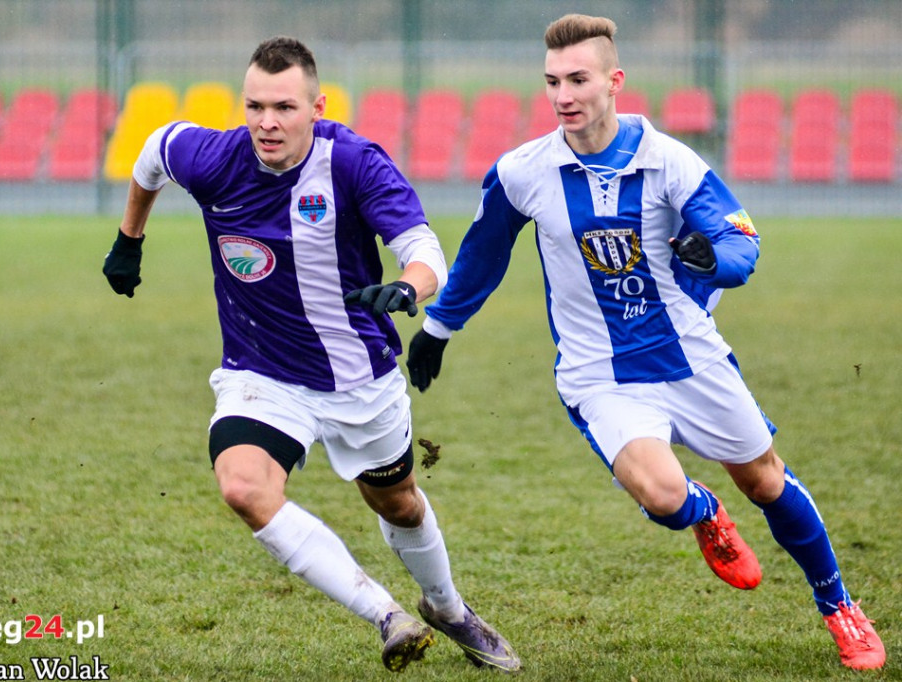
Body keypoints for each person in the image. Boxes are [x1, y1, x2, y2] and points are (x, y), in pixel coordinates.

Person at [406, 14, 884, 672]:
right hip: (600, 373)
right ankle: (703, 512)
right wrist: (438, 328)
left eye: (578, 79)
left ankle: (840, 608)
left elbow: (741, 241)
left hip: (689, 358)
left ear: (614, 81)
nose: (563, 95)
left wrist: (711, 257)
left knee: (765, 480)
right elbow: (482, 256)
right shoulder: (523, 171)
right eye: (552, 82)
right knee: (662, 497)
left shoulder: (670, 161)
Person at [101, 36, 520, 674]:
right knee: (242, 486)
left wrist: (409, 286)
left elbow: (424, 246)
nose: (268, 122)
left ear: (316, 106)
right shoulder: (213, 156)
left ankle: (447, 607)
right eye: (255, 106)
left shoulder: (353, 162)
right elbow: (154, 152)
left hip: (359, 379)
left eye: (285, 108)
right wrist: (129, 238)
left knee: (398, 501)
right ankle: (386, 615)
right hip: (262, 373)